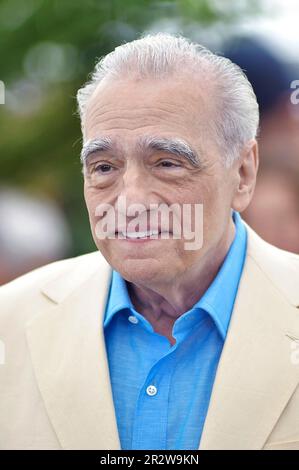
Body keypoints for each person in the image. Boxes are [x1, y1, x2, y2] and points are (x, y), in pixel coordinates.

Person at [0, 33, 299, 451]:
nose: (131, 201)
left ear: (243, 173)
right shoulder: (9, 322)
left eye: (168, 163)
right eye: (104, 166)